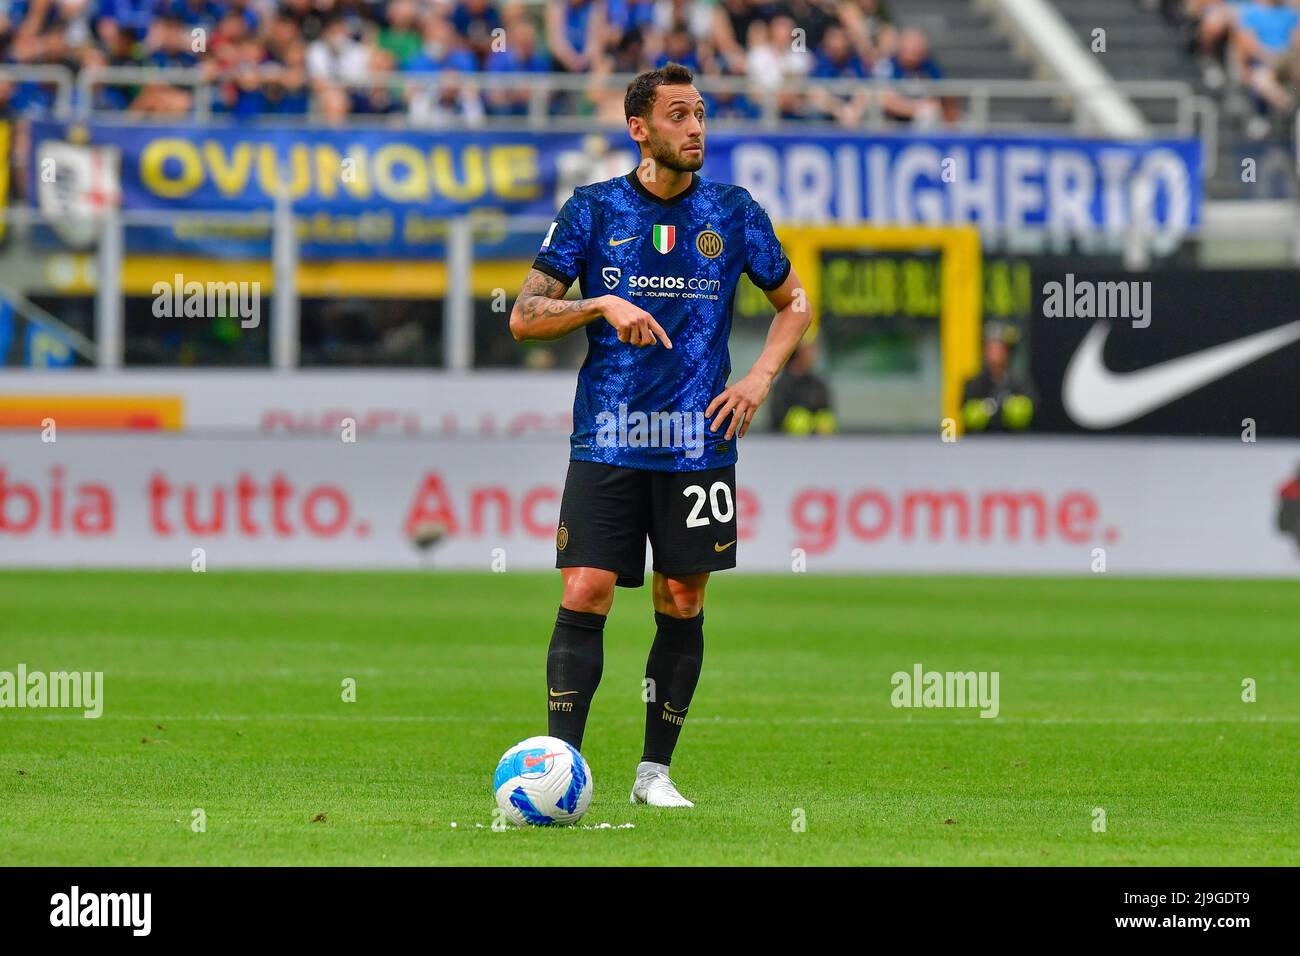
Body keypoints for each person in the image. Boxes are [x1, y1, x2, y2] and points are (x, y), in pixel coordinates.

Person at [508, 63, 809, 808]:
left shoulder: (734, 211)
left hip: (698, 442)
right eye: (679, 115)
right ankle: (559, 768)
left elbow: (794, 304)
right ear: (638, 127)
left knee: (681, 597)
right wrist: (598, 303)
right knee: (588, 587)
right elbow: (523, 316)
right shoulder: (592, 210)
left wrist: (759, 379)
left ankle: (654, 775)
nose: (697, 128)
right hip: (608, 437)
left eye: (701, 114)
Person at [961, 322, 1035, 433]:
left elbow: (1028, 411)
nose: (994, 353)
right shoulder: (974, 383)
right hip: (981, 445)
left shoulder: (1020, 382)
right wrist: (984, 411)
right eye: (990, 348)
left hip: (1013, 444)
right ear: (984, 351)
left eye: (999, 348)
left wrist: (1012, 409)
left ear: (1007, 352)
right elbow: (968, 416)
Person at [769, 338, 836, 434]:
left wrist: (822, 424)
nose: (813, 354)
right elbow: (775, 419)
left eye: (814, 349)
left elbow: (826, 411)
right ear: (797, 352)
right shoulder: (781, 385)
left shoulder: (818, 384)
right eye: (809, 349)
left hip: (817, 445)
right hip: (785, 444)